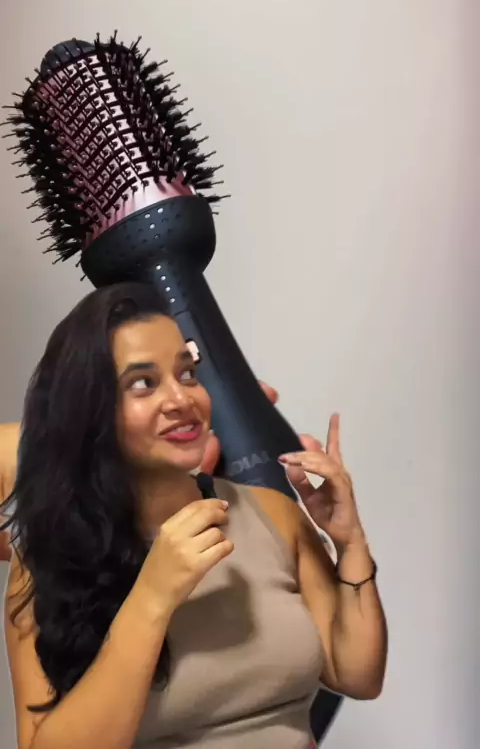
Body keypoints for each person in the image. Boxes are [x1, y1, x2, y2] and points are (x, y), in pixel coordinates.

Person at [1, 282, 387, 749]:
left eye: (186, 374)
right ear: (90, 408)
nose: (182, 400)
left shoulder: (272, 515)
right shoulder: (47, 560)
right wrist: (152, 597)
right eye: (143, 383)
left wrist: (350, 542)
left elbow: (358, 675)